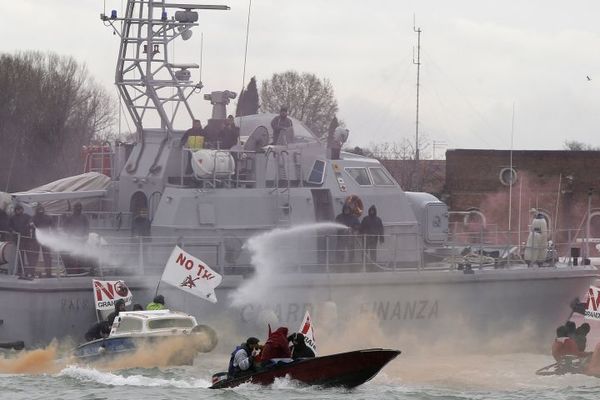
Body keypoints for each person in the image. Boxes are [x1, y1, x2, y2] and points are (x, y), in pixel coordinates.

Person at [61, 202, 90, 274]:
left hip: (81, 239)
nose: (78, 209)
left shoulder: (84, 217)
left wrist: (86, 235)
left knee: (80, 254)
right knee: (72, 254)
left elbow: (87, 227)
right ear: (74, 208)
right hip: (72, 239)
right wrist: (70, 235)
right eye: (77, 207)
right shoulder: (70, 217)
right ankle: (73, 269)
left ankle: (80, 269)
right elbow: (64, 227)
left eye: (80, 207)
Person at [9, 204, 35, 276]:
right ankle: (20, 270)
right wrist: (12, 231)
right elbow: (9, 226)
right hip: (18, 239)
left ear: (22, 210)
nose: (18, 211)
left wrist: (31, 224)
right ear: (15, 210)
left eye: (20, 209)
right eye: (17, 210)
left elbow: (31, 221)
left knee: (29, 254)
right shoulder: (12, 218)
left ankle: (31, 271)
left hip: (26, 239)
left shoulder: (27, 216)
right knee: (20, 256)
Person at [32, 204, 54, 277]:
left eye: (41, 209)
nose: (40, 211)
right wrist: (30, 224)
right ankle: (32, 272)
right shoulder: (33, 218)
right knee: (34, 255)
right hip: (36, 239)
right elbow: (29, 224)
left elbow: (53, 226)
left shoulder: (47, 217)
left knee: (47, 256)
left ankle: (48, 273)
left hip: (45, 239)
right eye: (39, 209)